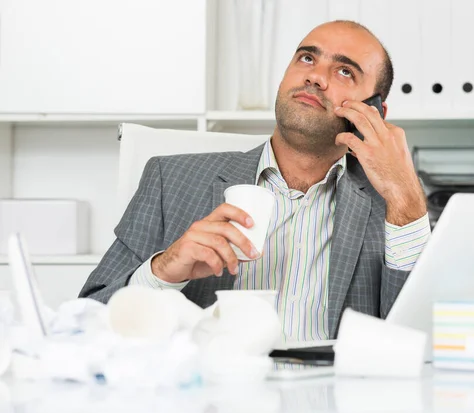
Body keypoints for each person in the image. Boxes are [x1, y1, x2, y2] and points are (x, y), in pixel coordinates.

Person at [79, 20, 431, 341]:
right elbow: (86, 323)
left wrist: (406, 200)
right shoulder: (168, 181)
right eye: (307, 59)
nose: (316, 77)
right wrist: (162, 272)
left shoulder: (396, 210)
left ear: (374, 113)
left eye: (343, 71)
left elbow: (423, 342)